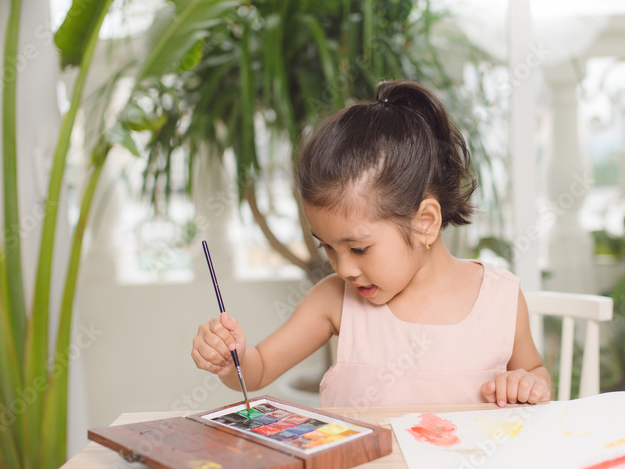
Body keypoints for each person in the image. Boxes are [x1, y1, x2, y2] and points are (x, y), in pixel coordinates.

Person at [190, 80, 552, 407]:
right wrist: (232, 356)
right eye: (327, 247)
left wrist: (527, 383)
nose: (343, 268)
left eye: (359, 248)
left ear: (425, 222)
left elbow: (535, 372)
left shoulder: (499, 297)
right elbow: (260, 368)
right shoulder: (333, 300)